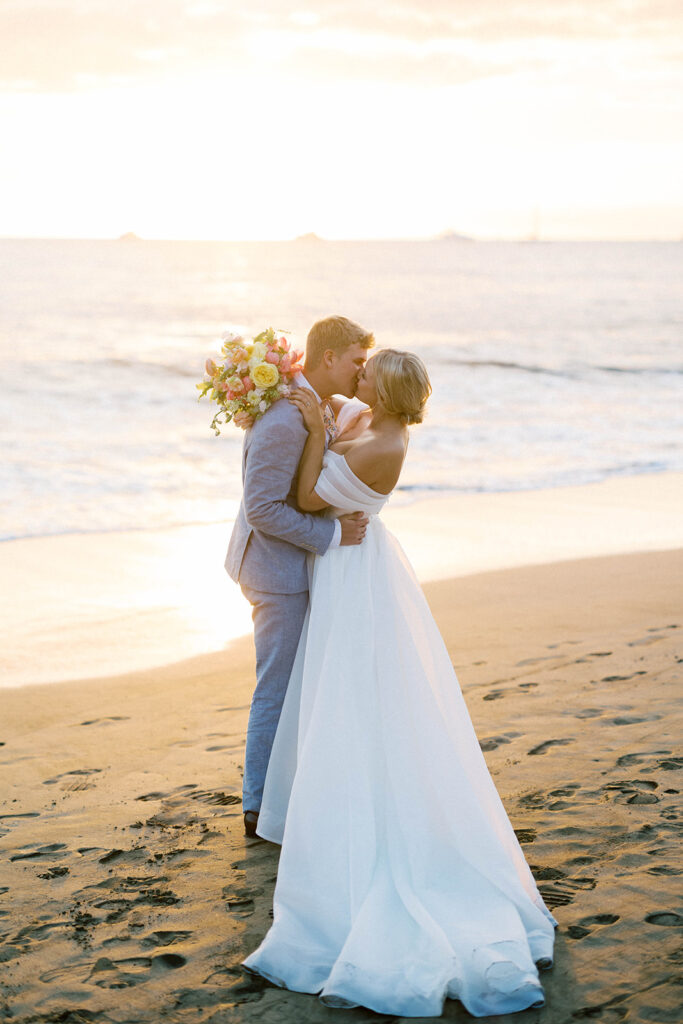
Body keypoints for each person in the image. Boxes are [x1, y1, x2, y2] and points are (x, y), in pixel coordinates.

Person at [242, 349, 558, 1018]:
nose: (354, 379)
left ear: (382, 391)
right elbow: (327, 415)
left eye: (364, 374)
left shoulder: (384, 442)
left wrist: (319, 436)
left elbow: (304, 498)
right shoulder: (365, 416)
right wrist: (311, 408)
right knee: (333, 689)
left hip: (356, 571)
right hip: (340, 565)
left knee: (359, 693)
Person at [225, 315, 375, 837]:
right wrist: (332, 537)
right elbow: (262, 508)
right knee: (277, 688)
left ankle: (287, 791)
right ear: (328, 358)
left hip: (294, 565)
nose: (362, 371)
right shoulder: (286, 418)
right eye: (357, 361)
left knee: (296, 686)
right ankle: (257, 806)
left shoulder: (314, 407)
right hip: (274, 571)